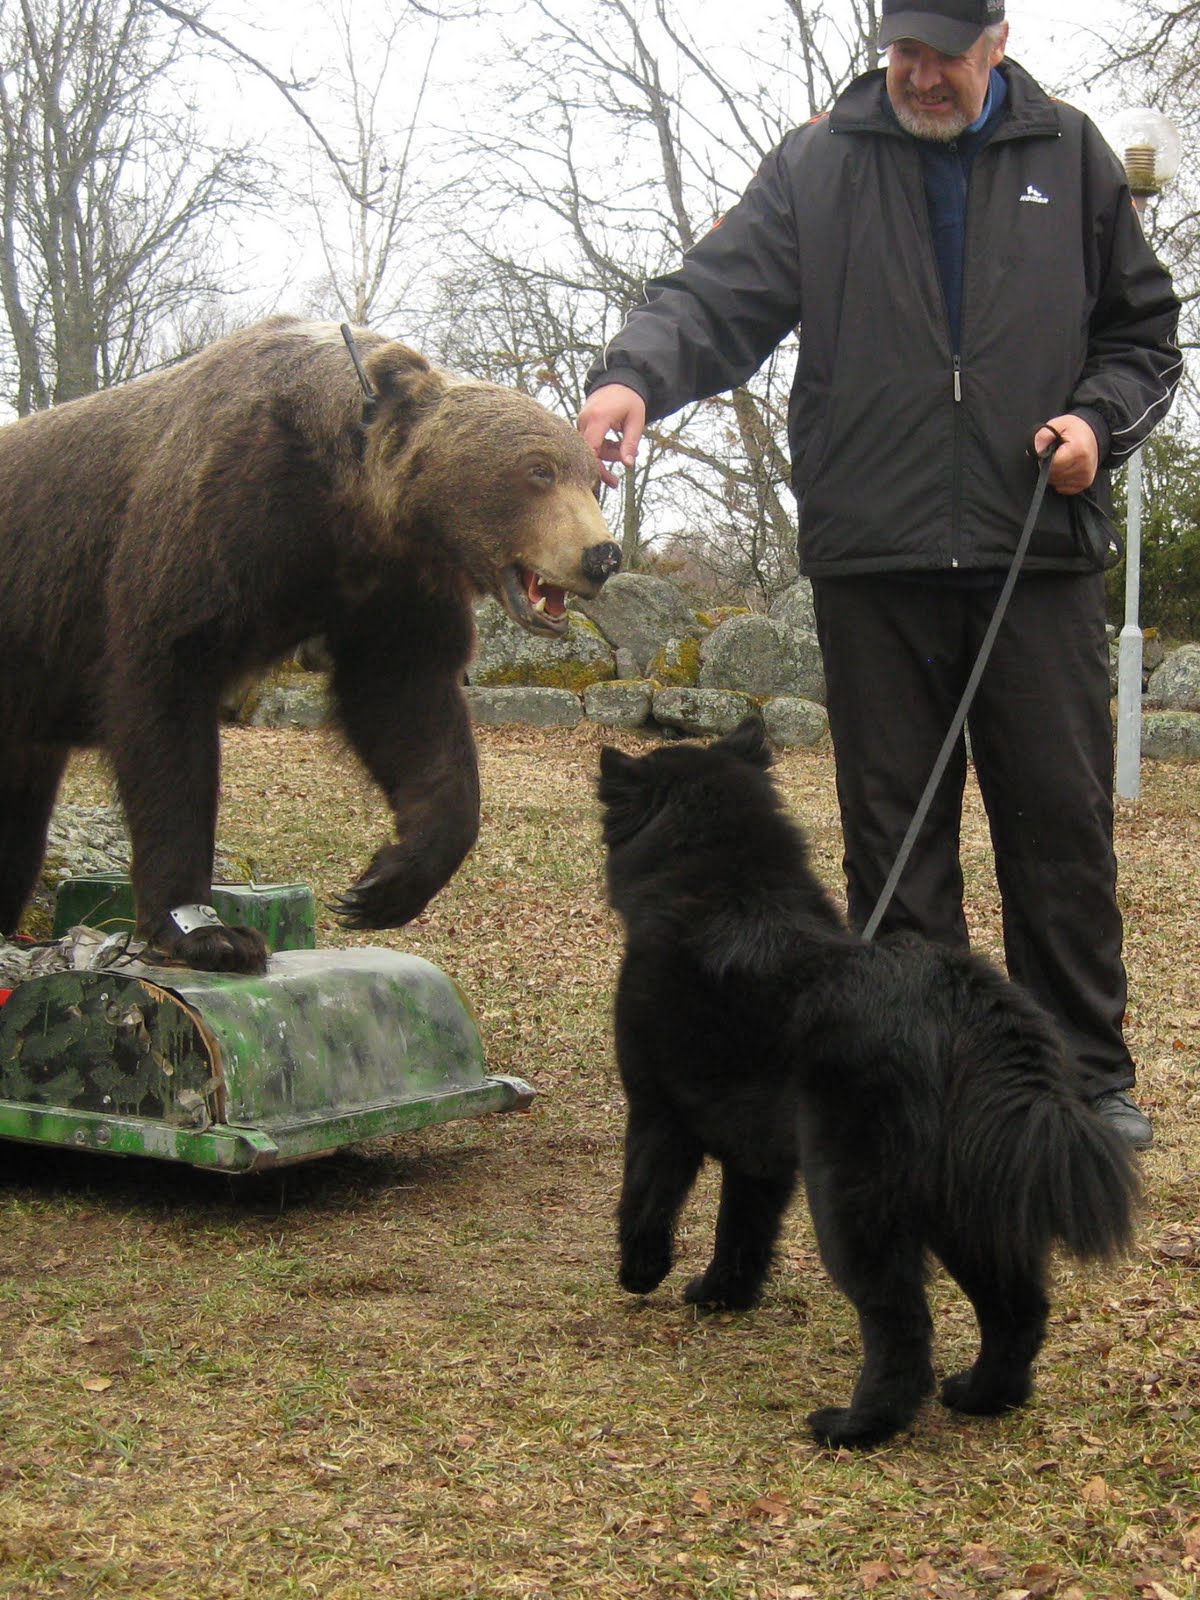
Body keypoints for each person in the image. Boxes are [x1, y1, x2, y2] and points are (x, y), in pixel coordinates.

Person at [577, 0, 1181, 1148]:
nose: (918, 73)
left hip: (1033, 556)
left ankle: (1082, 1082)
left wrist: (1097, 425)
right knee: (894, 843)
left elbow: (1144, 337)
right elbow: (715, 296)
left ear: (995, 45)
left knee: (1058, 829)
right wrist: (632, 379)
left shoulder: (1076, 156)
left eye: (941, 53)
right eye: (900, 49)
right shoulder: (820, 162)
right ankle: (928, 1083)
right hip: (874, 558)